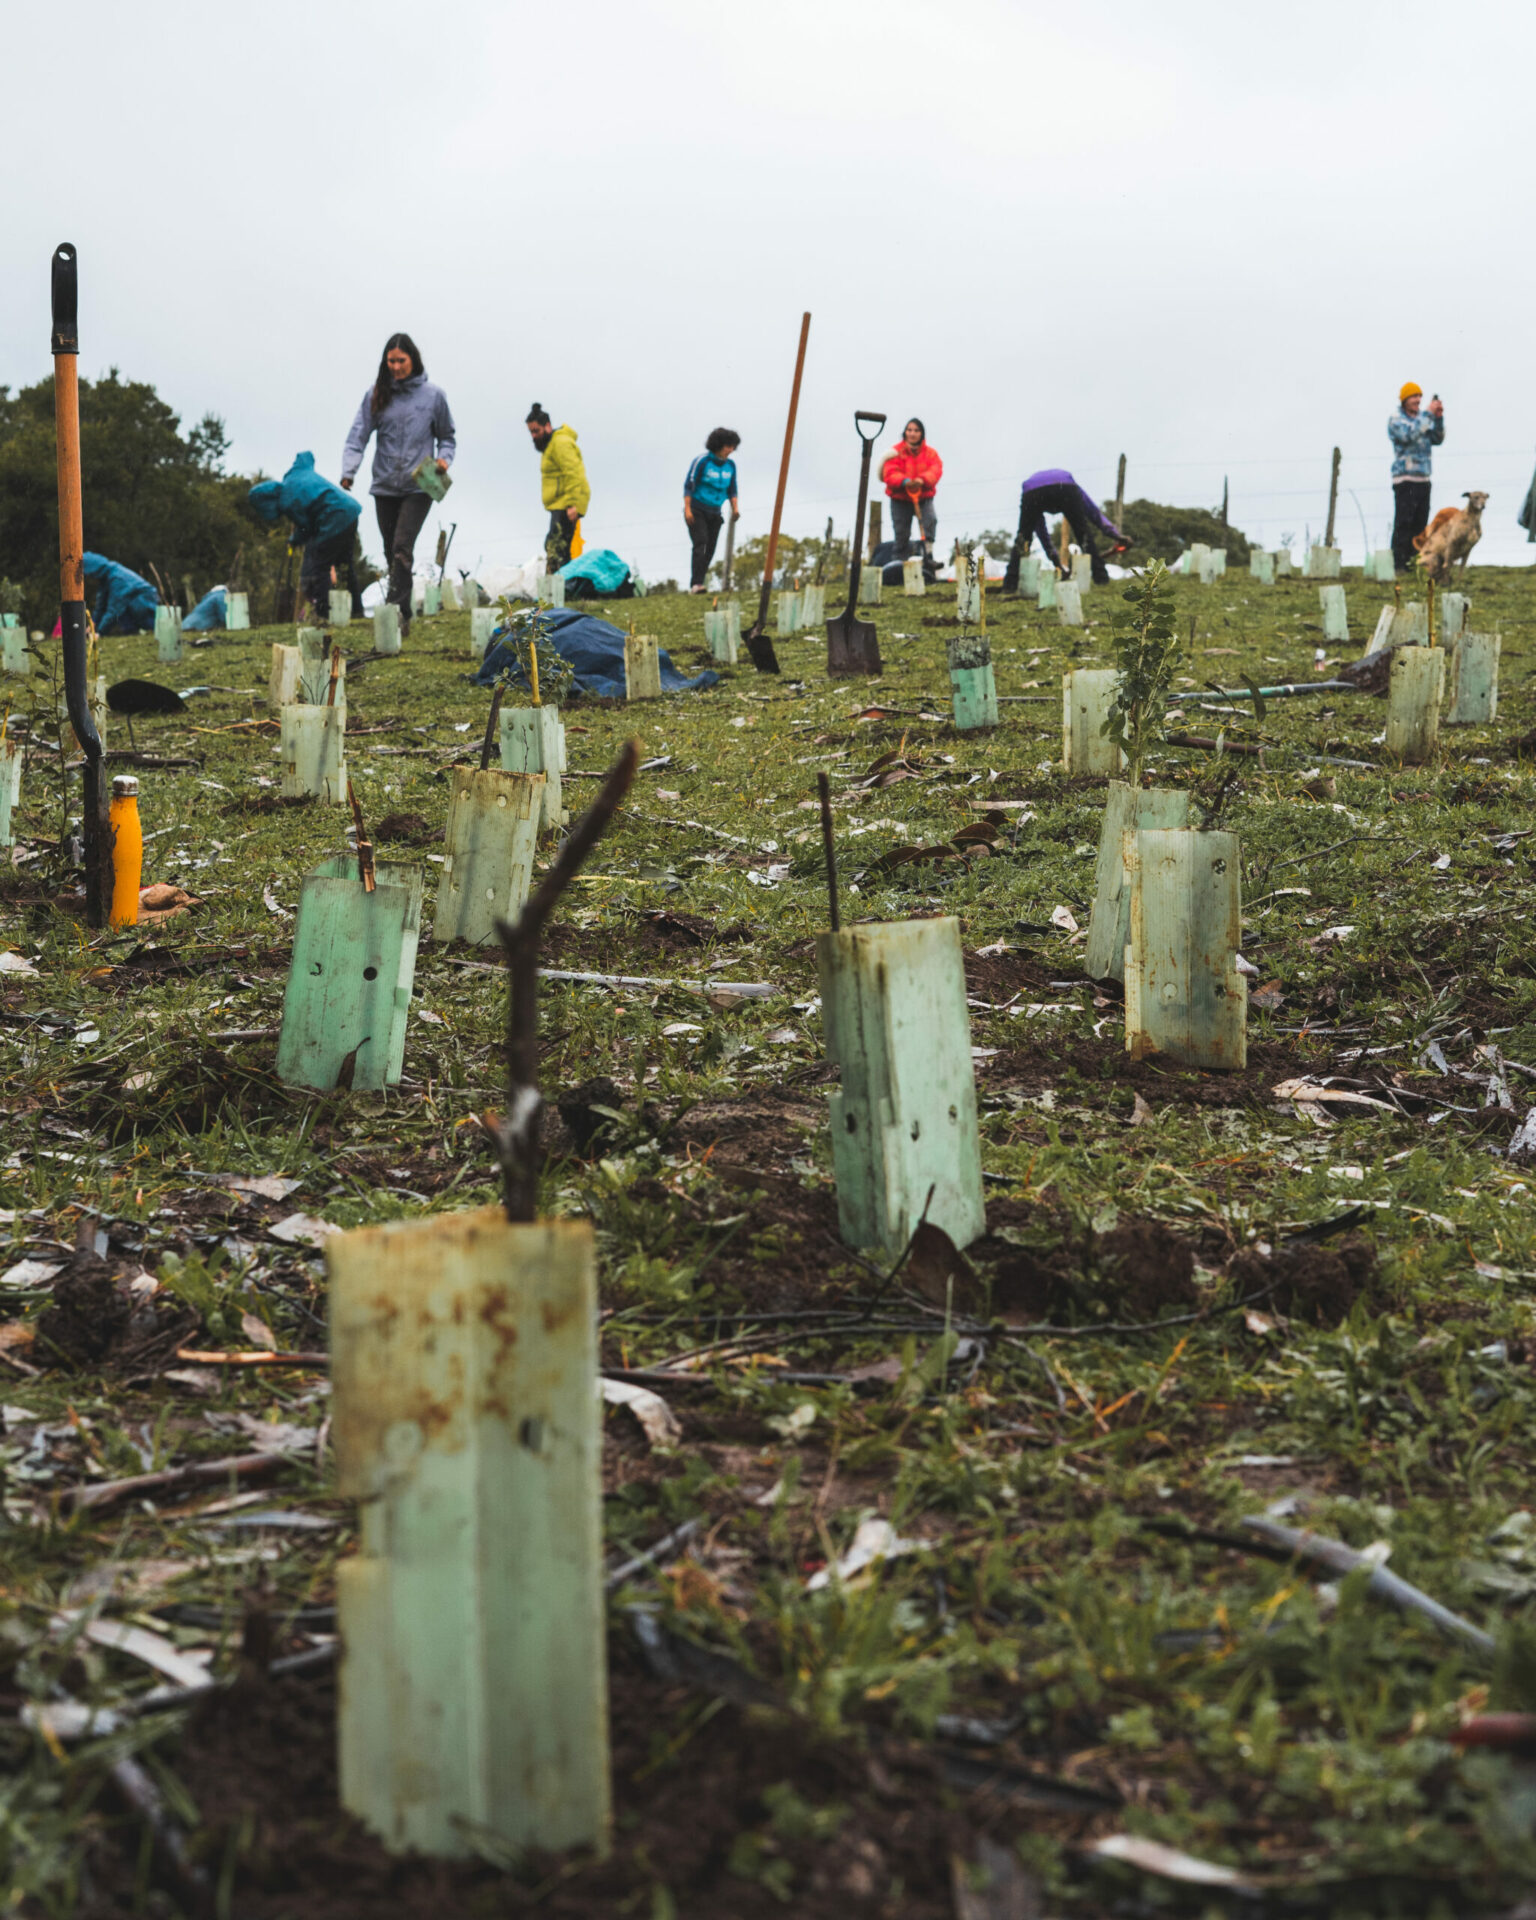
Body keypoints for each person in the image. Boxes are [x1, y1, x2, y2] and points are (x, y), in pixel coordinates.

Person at [340, 333, 455, 638]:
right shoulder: (377, 394)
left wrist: (444, 459)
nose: (396, 366)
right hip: (385, 484)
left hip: (420, 485)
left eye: (401, 361)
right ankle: (402, 612)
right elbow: (358, 434)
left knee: (403, 548)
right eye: (391, 361)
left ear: (413, 360)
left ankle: (395, 617)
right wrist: (348, 471)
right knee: (391, 551)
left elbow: (447, 437)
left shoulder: (433, 396)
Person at [248, 451, 363, 623]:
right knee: (345, 565)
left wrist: (294, 540)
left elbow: (306, 527)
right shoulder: (295, 475)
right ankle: (356, 611)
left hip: (334, 517)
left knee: (320, 564)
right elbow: (305, 457)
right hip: (351, 511)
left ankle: (322, 613)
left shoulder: (287, 500)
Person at [1003, 469, 1129, 589]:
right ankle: (1101, 578)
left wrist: (1055, 560)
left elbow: (1040, 533)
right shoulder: (1075, 489)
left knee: (1023, 538)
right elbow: (1093, 512)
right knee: (1083, 533)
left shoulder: (1036, 495)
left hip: (1033, 492)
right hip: (1064, 487)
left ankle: (1010, 584)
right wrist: (1116, 535)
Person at [526, 404, 591, 573]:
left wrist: (572, 504)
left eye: (536, 431)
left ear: (547, 426)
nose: (534, 436)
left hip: (566, 504)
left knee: (556, 547)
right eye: (531, 432)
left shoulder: (560, 443)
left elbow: (574, 473)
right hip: (559, 504)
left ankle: (562, 589)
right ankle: (561, 588)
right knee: (556, 546)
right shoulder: (550, 446)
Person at [1389, 382, 1445, 574]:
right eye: (1414, 397)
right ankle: (1398, 564)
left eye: (1420, 397)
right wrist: (1428, 414)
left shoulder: (1423, 419)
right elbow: (1409, 435)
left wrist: (1438, 419)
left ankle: (1414, 563)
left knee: (1420, 523)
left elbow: (1437, 438)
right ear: (1405, 399)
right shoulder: (1397, 420)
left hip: (1423, 479)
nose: (1418, 401)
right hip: (1405, 479)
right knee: (1404, 522)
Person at [682, 428, 740, 592]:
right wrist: (687, 509)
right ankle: (696, 584)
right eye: (727, 446)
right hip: (697, 509)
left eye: (733, 446)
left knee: (710, 548)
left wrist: (735, 508)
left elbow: (732, 489)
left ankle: (699, 581)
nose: (730, 450)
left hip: (715, 512)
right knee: (701, 542)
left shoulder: (730, 466)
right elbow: (689, 485)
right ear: (718, 445)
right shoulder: (702, 461)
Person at [880, 418, 942, 560]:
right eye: (909, 430)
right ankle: (899, 564)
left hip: (923, 497)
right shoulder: (894, 452)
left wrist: (922, 480)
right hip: (900, 499)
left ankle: (928, 556)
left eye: (916, 430)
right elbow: (889, 473)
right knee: (901, 533)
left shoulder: (930, 453)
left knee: (930, 521)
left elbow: (936, 470)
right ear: (905, 432)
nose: (912, 433)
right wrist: (904, 481)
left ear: (921, 433)